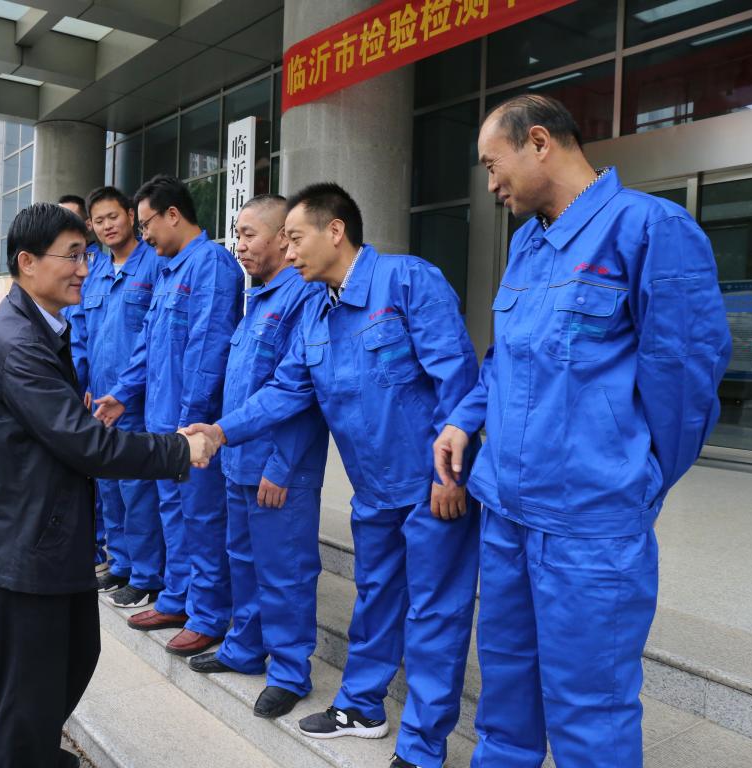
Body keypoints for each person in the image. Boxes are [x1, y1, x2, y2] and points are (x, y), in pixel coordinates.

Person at [434, 94, 732, 768]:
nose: (491, 184)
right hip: (506, 513)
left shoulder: (651, 228)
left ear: (539, 142)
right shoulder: (527, 244)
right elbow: (503, 360)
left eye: (493, 164)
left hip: (589, 527)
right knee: (505, 700)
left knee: (590, 713)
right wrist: (464, 419)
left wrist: (634, 479)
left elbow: (685, 382)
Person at [187, 183, 480, 768]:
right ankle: (362, 708)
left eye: (295, 238)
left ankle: (422, 747)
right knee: (375, 600)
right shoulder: (317, 316)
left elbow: (458, 378)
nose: (289, 251)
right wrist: (219, 432)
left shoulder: (406, 281)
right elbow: (285, 391)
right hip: (374, 491)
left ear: (336, 231)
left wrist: (451, 474)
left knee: (433, 614)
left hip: (430, 488)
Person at [0, 202, 215, 768]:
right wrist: (180, 448)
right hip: (25, 547)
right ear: (28, 262)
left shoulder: (42, 327)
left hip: (47, 534)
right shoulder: (19, 342)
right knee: (26, 699)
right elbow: (88, 445)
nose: (85, 269)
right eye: (73, 256)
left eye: (88, 255)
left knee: (74, 657)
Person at [186, 194, 329, 720]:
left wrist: (282, 465)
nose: (239, 246)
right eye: (237, 235)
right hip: (239, 462)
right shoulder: (260, 298)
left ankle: (290, 671)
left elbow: (306, 393)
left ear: (282, 237)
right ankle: (244, 648)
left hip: (277, 468)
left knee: (285, 571)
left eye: (249, 234)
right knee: (243, 561)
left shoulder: (303, 297)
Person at [94, 174, 244, 657]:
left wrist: (190, 421)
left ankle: (209, 615)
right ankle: (177, 599)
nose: (145, 235)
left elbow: (207, 349)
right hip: (161, 421)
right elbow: (147, 343)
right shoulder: (167, 269)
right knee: (173, 514)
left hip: (189, 426)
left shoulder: (212, 265)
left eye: (146, 224)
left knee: (202, 519)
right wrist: (122, 394)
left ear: (173, 215)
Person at [78, 185, 167, 608]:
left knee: (137, 488)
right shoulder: (94, 271)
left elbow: (154, 338)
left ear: (131, 216)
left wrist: (125, 391)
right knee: (108, 485)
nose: (107, 226)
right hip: (100, 400)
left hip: (137, 399)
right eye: (99, 221)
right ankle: (122, 562)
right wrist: (83, 383)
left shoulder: (154, 263)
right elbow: (82, 333)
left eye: (113, 216)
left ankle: (147, 573)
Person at [57, 193, 106, 573]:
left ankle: (101, 549)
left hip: (98, 393)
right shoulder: (60, 272)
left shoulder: (97, 269)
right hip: (70, 389)